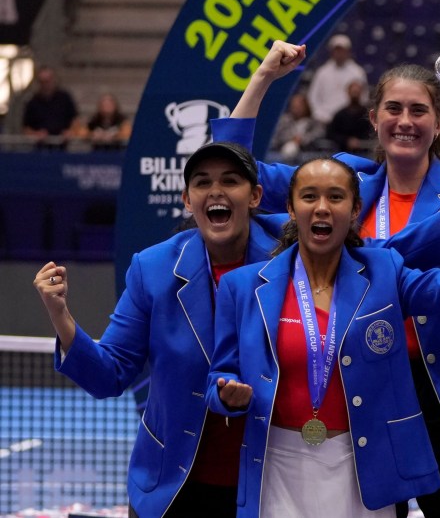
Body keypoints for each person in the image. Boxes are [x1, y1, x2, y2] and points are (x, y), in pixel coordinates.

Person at [212, 45, 440, 518]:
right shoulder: (347, 187)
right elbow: (236, 168)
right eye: (393, 108)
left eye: (418, 110)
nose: (405, 120)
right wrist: (264, 76)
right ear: (373, 118)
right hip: (365, 386)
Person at [33, 141, 282, 517]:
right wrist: (60, 314)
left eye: (231, 181)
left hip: (270, 484)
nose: (216, 190)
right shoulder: (154, 268)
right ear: (186, 199)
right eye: (202, 183)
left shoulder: (289, 257)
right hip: (174, 486)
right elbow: (109, 375)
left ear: (255, 196)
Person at [307, 34, 368, 124]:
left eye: (342, 50)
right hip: (324, 119)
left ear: (348, 51)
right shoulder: (322, 72)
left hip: (350, 121)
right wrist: (319, 114)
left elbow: (363, 96)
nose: (339, 54)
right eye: (336, 50)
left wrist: (354, 116)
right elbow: (313, 97)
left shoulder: (357, 72)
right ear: (332, 52)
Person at [22, 65, 79, 147]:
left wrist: (70, 132)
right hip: (40, 148)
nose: (45, 85)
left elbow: (75, 120)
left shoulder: (65, 98)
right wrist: (36, 134)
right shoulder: (32, 102)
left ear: (53, 79)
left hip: (63, 147)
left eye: (47, 81)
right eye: (42, 82)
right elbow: (26, 128)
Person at [327, 79, 374, 154]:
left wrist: (360, 142)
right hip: (342, 151)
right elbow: (331, 134)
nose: (355, 94)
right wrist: (346, 141)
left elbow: (371, 131)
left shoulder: (367, 114)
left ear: (361, 93)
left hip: (365, 151)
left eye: (357, 92)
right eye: (353, 92)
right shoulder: (340, 114)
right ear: (348, 92)